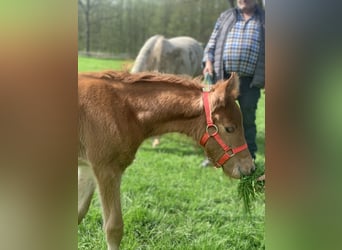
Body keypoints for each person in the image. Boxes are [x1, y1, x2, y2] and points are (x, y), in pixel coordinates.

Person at [201, 0, 265, 166]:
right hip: (223, 80)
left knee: (246, 120)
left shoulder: (265, 19)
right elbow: (211, 45)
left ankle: (249, 157)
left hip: (249, 81)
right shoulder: (226, 16)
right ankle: (213, 156)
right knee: (217, 120)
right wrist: (208, 63)